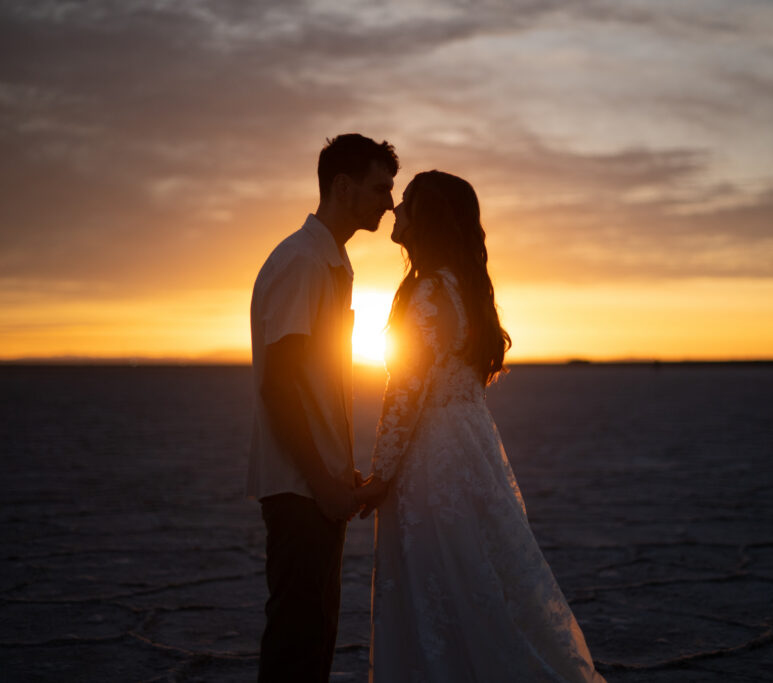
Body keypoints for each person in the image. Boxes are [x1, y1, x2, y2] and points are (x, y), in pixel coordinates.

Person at [355, 171, 607, 682]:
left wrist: (379, 475)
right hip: (469, 442)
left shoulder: (427, 291)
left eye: (406, 203)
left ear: (426, 219)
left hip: (431, 456)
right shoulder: (461, 285)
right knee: (477, 576)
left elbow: (405, 390)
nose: (395, 211)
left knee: (440, 581)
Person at [248, 133, 398, 682]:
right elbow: (280, 386)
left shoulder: (331, 261)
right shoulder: (302, 262)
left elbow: (317, 382)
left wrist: (337, 471)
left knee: (315, 635)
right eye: (381, 188)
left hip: (316, 482)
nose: (389, 201)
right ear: (342, 185)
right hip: (297, 486)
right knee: (297, 639)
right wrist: (321, 478)